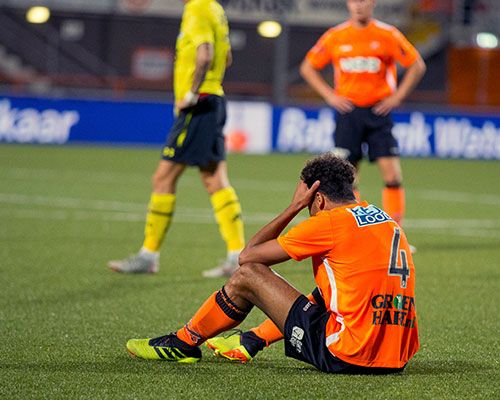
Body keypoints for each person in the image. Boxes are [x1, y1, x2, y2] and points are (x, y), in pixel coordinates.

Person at [126, 153, 419, 374]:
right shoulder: (384, 219)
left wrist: (292, 208)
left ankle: (182, 342)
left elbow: (248, 257)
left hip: (348, 354)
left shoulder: (329, 222)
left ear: (315, 198)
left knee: (248, 276)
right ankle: (251, 340)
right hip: (396, 357)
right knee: (325, 292)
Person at [108, 0, 245, 278]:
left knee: (163, 178)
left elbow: (204, 55)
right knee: (215, 180)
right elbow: (226, 56)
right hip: (215, 99)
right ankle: (238, 256)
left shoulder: (196, 8)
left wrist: (192, 94)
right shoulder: (215, 9)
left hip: (198, 106)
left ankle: (149, 255)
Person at [299, 0, 426, 238]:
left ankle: (395, 233)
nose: (359, 6)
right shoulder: (336, 36)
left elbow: (417, 65)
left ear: (373, 3)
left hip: (379, 113)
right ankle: (355, 232)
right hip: (348, 113)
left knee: (393, 175)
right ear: (348, 4)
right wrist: (330, 96)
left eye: (364, 1)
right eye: (354, 1)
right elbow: (307, 67)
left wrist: (397, 97)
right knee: (348, 176)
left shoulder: (387, 34)